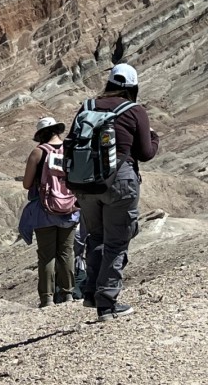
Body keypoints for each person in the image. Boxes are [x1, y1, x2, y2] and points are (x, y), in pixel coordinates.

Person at [71, 63, 159, 321]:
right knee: (117, 241)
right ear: (133, 87)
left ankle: (90, 292)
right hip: (120, 182)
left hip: (85, 184)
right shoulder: (135, 111)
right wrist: (154, 138)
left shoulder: (86, 107)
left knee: (96, 237)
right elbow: (145, 153)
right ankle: (107, 303)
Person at [19, 117, 80, 307]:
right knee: (67, 253)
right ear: (57, 131)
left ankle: (47, 299)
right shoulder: (71, 149)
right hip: (69, 209)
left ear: (40, 135)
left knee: (47, 255)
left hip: (44, 211)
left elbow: (27, 184)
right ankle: (68, 293)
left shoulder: (38, 152)